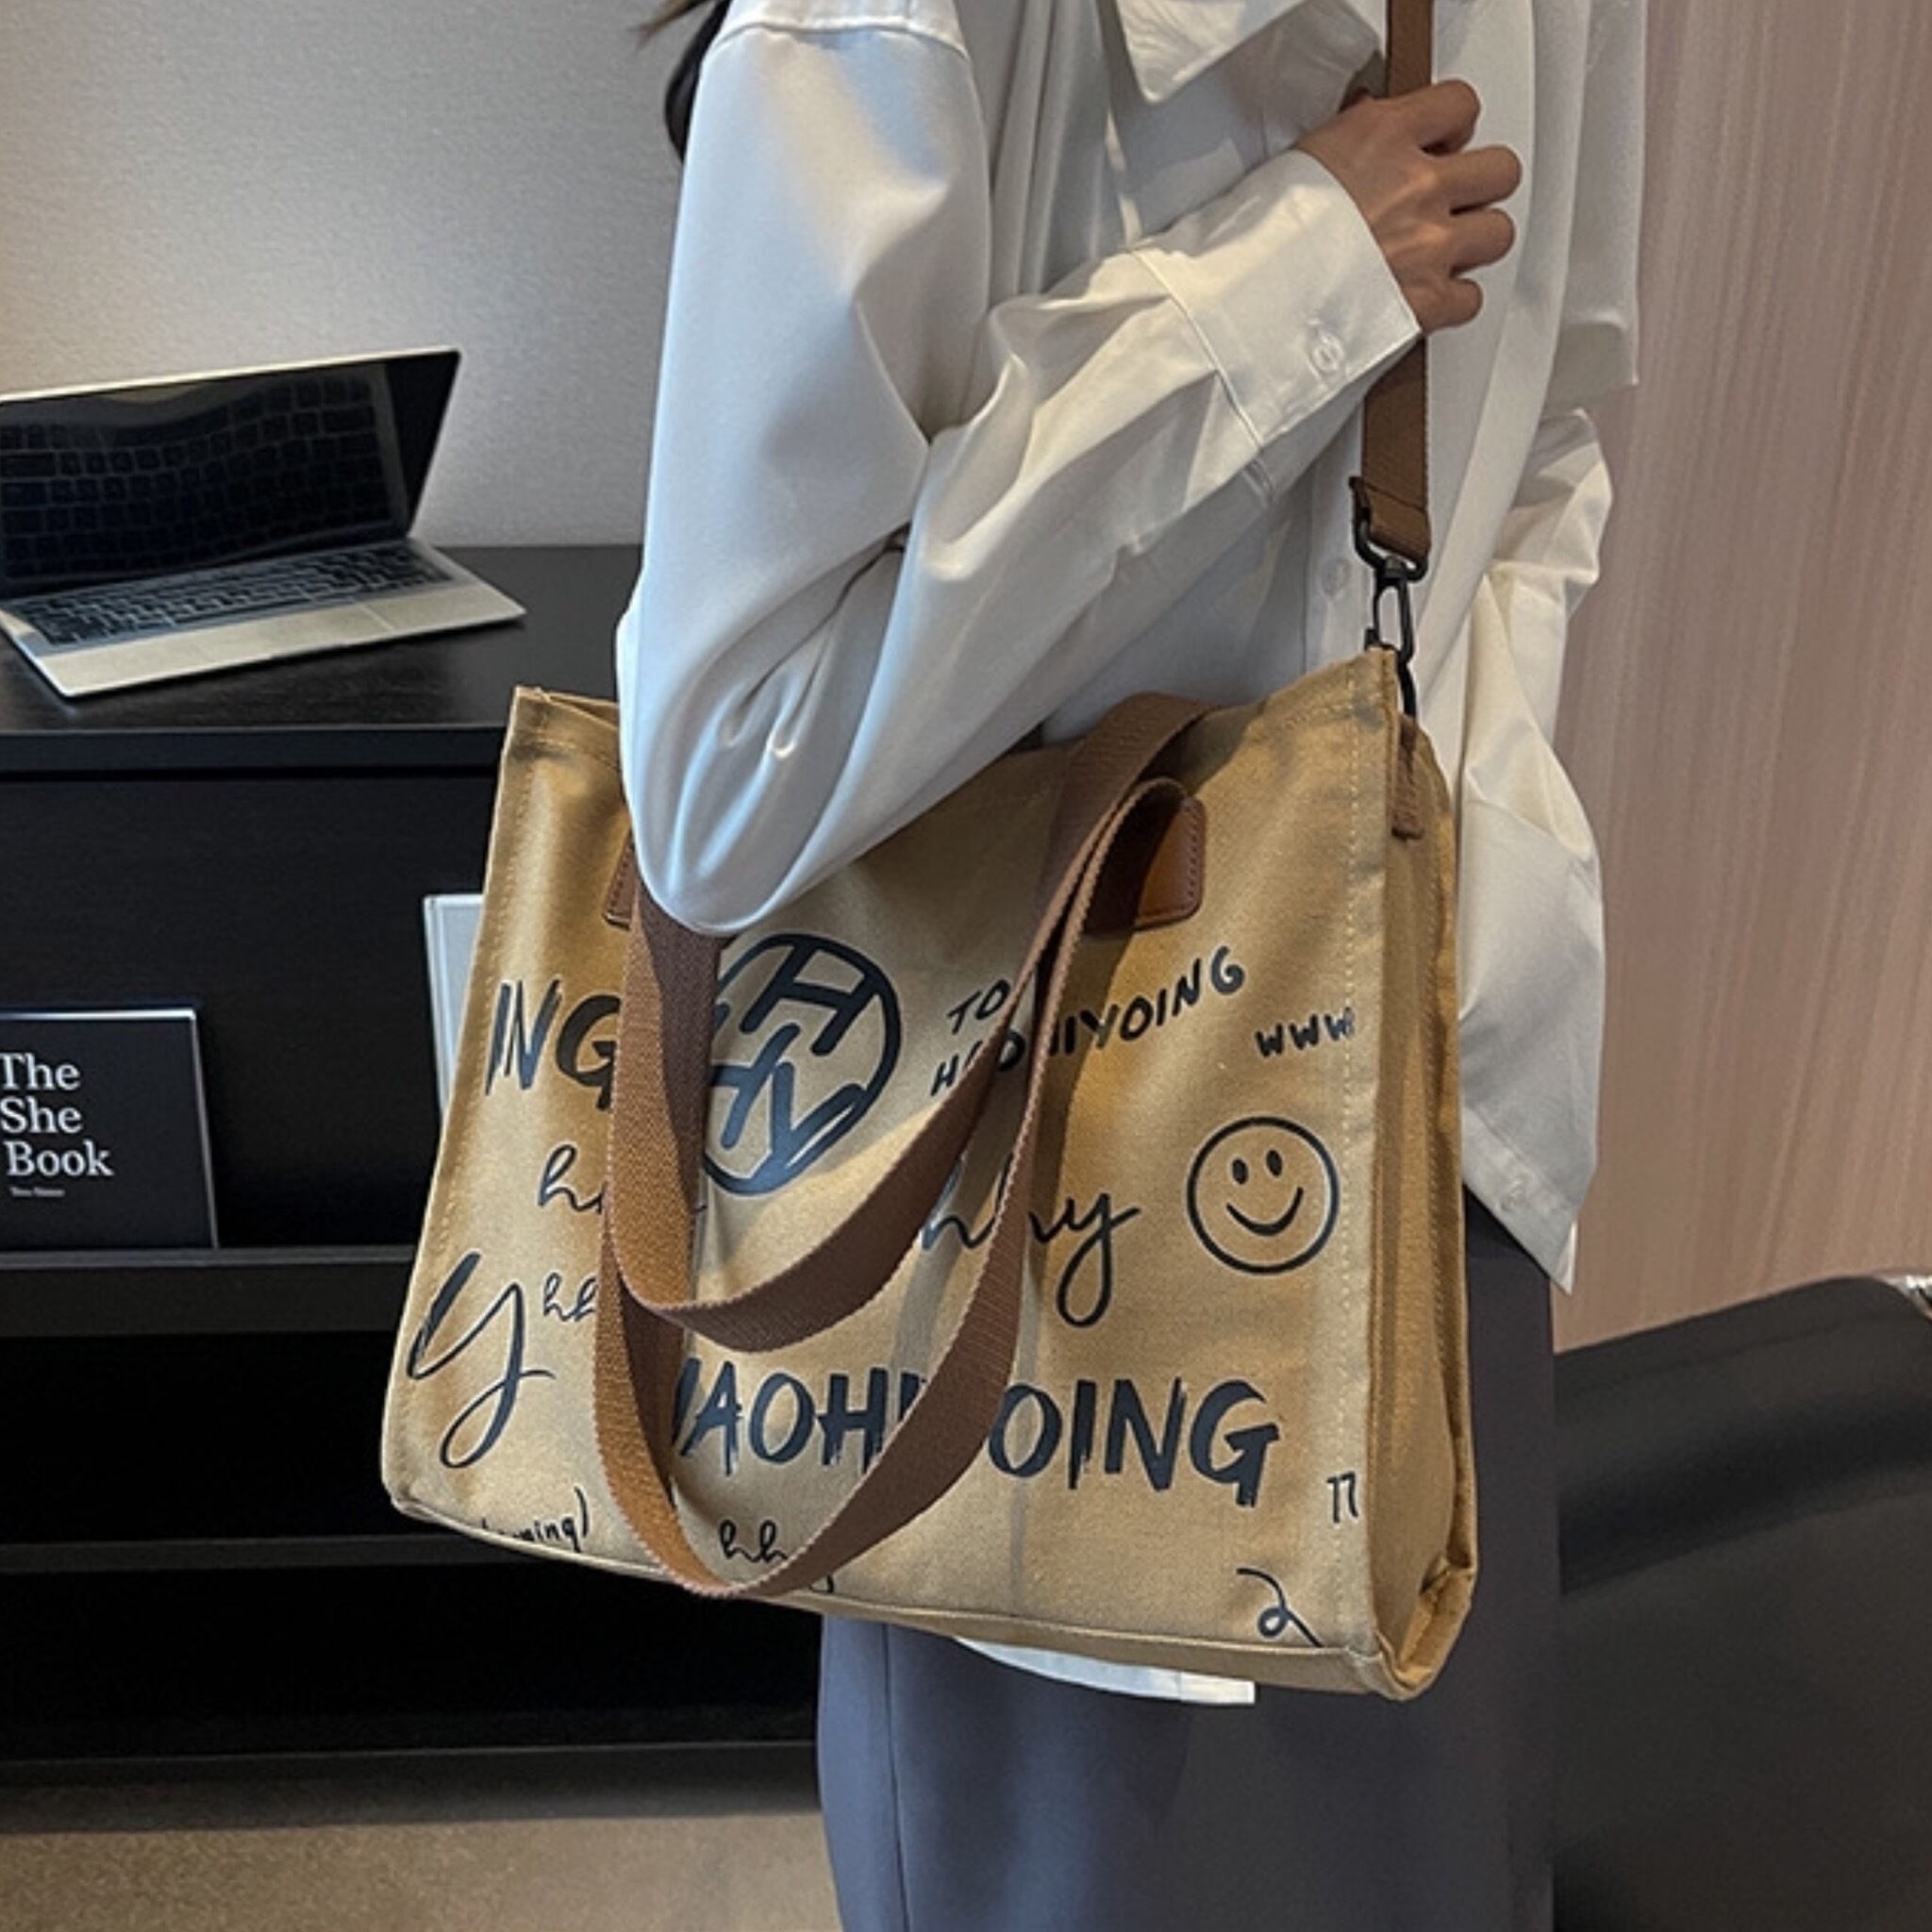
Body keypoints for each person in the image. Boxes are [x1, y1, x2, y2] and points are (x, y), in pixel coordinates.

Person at [617, 0, 1643, 1924]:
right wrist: (1284, 285)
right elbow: (726, 768)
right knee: (1067, 1874)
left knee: (1426, 1861)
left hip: (1421, 1112)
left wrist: (1445, 843)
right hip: (1009, 1170)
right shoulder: (903, 24)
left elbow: (1554, 423)